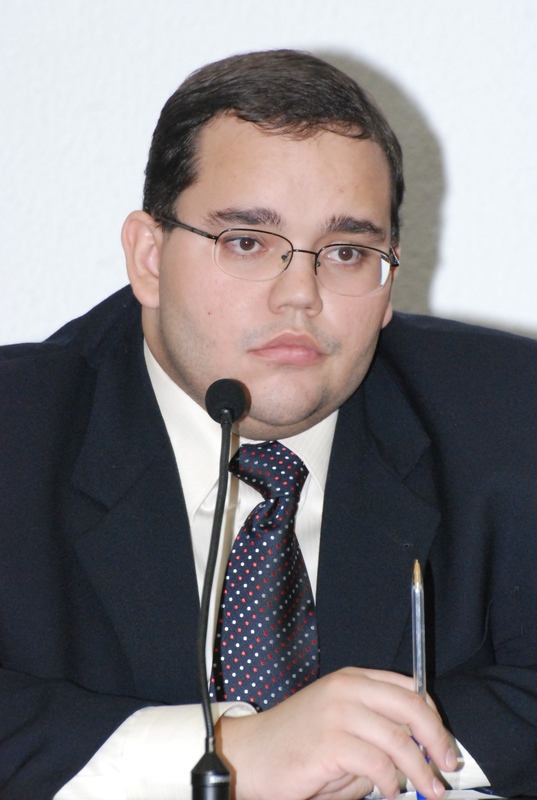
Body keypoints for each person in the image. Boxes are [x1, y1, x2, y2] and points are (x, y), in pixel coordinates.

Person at [1, 49, 536, 800]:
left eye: (346, 252)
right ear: (149, 257)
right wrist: (234, 754)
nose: (300, 295)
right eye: (247, 242)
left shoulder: (512, 413)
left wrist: (379, 745)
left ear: (388, 279)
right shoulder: (18, 429)